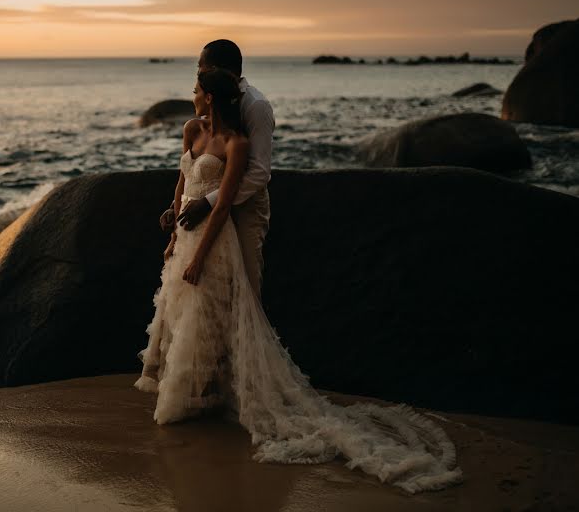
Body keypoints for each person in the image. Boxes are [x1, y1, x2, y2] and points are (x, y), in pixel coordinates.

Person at [135, 68, 462, 493]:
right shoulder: (191, 129)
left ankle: (206, 398)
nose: (191, 95)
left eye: (197, 89)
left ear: (213, 97)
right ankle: (198, 395)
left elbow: (229, 201)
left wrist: (198, 253)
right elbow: (183, 180)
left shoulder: (242, 136)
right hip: (186, 237)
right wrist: (174, 228)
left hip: (216, 240)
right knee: (182, 313)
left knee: (215, 312)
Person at [160, 40, 272, 299]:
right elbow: (199, 169)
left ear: (218, 70)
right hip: (208, 211)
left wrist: (208, 203)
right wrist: (177, 205)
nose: (197, 72)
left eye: (202, 66)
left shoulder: (255, 106)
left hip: (244, 207)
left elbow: (258, 173)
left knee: (245, 288)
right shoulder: (202, 120)